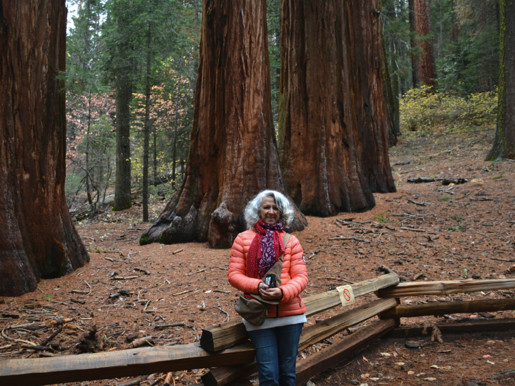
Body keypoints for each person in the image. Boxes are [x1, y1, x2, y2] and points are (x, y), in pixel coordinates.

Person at [228, 190, 308, 386]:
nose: (271, 211)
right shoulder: (242, 239)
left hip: (290, 315)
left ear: (281, 212)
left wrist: (282, 292)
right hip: (259, 316)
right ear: (258, 211)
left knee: (288, 373)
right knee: (268, 374)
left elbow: (301, 277)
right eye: (266, 207)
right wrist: (257, 286)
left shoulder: (291, 241)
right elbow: (234, 275)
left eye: (275, 208)